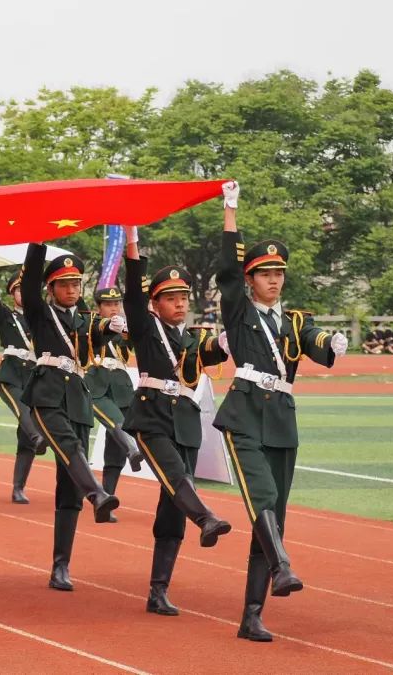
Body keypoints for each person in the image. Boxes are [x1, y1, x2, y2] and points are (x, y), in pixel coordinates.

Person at [215, 181, 346, 642]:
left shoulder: (294, 321)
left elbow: (312, 341)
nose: (273, 279)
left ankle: (252, 615)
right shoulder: (239, 312)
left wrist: (331, 343)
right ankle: (282, 565)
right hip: (245, 414)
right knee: (263, 497)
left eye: (278, 273)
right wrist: (230, 211)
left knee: (274, 516)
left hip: (282, 421)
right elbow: (226, 273)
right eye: (264, 273)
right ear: (250, 279)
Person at [121, 227, 232, 616]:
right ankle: (206, 517)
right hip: (150, 418)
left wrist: (223, 345)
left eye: (183, 297)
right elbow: (132, 293)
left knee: (171, 506)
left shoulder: (189, 338)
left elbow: (206, 352)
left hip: (184, 423)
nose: (180, 303)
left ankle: (158, 591)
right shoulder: (145, 326)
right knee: (177, 477)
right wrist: (132, 243)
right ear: (155, 303)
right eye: (171, 298)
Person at [20, 245, 119, 592]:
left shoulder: (86, 318)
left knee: (68, 486)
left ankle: (60, 566)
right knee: (69, 445)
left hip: (77, 399)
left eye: (76, 283)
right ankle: (98, 494)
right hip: (47, 396)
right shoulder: (39, 311)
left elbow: (100, 331)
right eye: (64, 284)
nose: (72, 289)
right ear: (51, 288)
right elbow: (29, 282)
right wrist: (38, 241)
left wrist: (113, 327)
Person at [0, 267, 46, 504]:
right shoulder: (6, 315)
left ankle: (18, 488)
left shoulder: (42, 317)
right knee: (23, 410)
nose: (23, 293)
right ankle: (38, 437)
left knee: (25, 435)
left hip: (34, 377)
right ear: (12, 294)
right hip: (11, 376)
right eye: (19, 290)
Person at [85, 285, 144, 522]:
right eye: (108, 304)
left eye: (117, 304)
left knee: (114, 453)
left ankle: (105, 504)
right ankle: (133, 449)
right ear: (98, 307)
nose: (114, 308)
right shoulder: (91, 324)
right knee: (115, 421)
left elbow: (136, 344)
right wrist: (108, 326)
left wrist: (130, 328)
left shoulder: (124, 328)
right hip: (96, 385)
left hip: (121, 387)